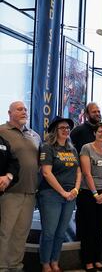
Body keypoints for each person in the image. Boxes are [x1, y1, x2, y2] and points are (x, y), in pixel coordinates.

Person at [0, 101, 41, 271]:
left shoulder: (35, 135)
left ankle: (16, 265)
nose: (24, 111)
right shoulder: (2, 131)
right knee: (5, 232)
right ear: (9, 113)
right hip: (10, 191)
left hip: (30, 191)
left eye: (25, 109)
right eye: (19, 109)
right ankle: (2, 266)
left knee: (21, 232)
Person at [38, 116, 82, 272]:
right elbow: (46, 173)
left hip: (70, 196)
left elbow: (78, 171)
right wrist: (63, 192)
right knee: (49, 232)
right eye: (62, 128)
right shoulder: (48, 147)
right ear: (54, 131)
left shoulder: (72, 149)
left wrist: (75, 189)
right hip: (51, 195)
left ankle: (55, 261)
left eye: (68, 128)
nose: (66, 130)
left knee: (61, 232)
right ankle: (45, 263)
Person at [77, 122, 102, 271]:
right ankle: (88, 261)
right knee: (88, 228)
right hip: (88, 193)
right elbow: (87, 173)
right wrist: (95, 194)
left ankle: (97, 259)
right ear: (94, 133)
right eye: (100, 132)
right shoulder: (86, 148)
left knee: (99, 228)